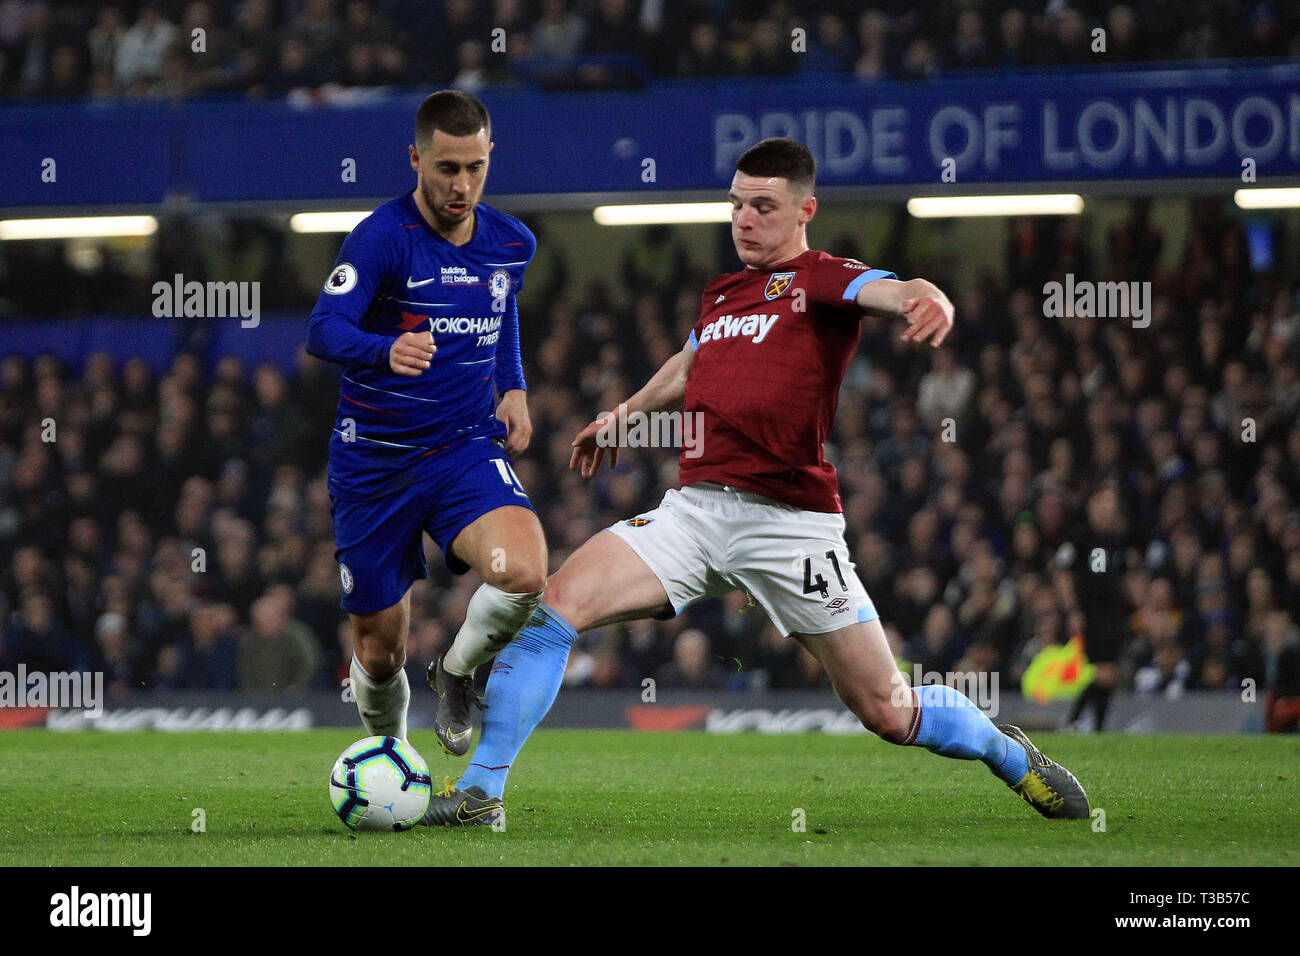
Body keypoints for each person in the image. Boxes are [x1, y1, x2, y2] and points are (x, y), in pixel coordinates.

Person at [423, 137, 1089, 826]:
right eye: (736, 204)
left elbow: (890, 290)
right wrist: (623, 416)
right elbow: (688, 363)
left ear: (805, 210)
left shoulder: (822, 278)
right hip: (695, 512)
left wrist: (928, 296)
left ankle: (1007, 753)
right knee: (555, 606)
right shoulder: (722, 293)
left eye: (763, 207)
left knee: (888, 710)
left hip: (791, 528)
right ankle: (482, 794)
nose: (743, 219)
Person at [306, 90, 548, 756]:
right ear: (416, 159)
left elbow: (501, 304)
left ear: (489, 156)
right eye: (446, 168)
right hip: (375, 463)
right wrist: (385, 349)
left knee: (523, 573)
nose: (461, 184)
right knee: (380, 653)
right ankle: (390, 759)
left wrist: (514, 386)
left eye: (474, 167)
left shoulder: (511, 242)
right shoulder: (383, 239)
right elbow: (323, 328)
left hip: (461, 448)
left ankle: (459, 670)